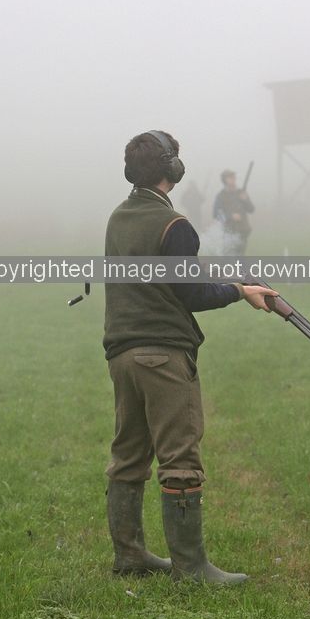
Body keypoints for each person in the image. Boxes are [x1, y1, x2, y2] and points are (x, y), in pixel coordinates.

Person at [103, 130, 277, 584]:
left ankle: (130, 555)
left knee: (128, 455)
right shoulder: (174, 225)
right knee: (180, 459)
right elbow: (190, 293)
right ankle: (191, 567)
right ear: (171, 168)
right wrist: (239, 291)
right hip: (163, 355)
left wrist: (225, 279)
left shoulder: (118, 218)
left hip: (121, 353)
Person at [213, 170, 254, 255]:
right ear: (225, 179)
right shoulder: (221, 195)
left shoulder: (241, 193)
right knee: (228, 258)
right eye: (230, 177)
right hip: (229, 232)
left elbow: (251, 209)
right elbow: (216, 214)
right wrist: (230, 216)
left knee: (240, 258)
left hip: (242, 230)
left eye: (234, 177)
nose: (233, 179)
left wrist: (245, 200)